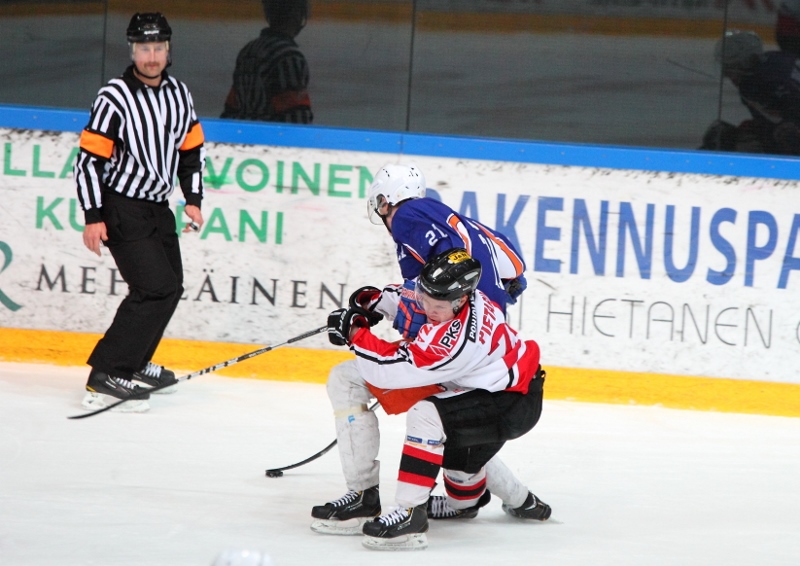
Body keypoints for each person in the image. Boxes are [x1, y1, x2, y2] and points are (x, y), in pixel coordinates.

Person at [309, 164, 534, 530]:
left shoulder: (406, 215)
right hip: (489, 347)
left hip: (457, 348)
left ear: (385, 199)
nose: (383, 213)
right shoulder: (453, 218)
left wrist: (356, 331)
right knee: (449, 423)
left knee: (350, 381)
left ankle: (368, 496)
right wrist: (384, 302)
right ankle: (522, 499)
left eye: (382, 204)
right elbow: (513, 266)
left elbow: (427, 308)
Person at [315, 248, 550, 551]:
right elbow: (409, 296)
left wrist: (355, 332)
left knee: (434, 426)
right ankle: (362, 497)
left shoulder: (459, 341)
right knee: (347, 379)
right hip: (466, 385)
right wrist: (374, 302)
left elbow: (388, 370)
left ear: (461, 300)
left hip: (509, 403)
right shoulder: (446, 295)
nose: (427, 307)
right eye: (426, 297)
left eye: (436, 305)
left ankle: (411, 516)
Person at [74, 12, 206, 413]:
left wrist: (193, 199)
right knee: (153, 289)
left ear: (168, 50)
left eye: (158, 48)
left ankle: (134, 363)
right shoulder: (114, 96)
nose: (151, 56)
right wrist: (93, 215)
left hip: (157, 208)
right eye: (144, 48)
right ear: (133, 50)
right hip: (120, 207)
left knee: (171, 287)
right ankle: (104, 375)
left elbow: (191, 151)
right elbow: (88, 162)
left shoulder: (179, 94)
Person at [702, 30, 800, 155]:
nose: (726, 75)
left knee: (725, 140)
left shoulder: (755, 84)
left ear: (746, 62)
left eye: (730, 68)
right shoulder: (775, 58)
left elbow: (787, 127)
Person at [221, 0, 312, 123]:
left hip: (243, 137)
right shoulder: (288, 56)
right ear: (297, 14)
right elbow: (296, 118)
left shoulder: (248, 50)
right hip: (270, 139)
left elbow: (231, 109)